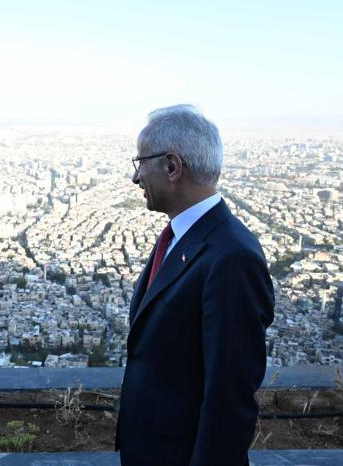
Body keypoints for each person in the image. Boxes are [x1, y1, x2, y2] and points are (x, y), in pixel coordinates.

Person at [116, 105, 275, 466]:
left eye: (140, 163)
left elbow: (229, 398)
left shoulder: (232, 256)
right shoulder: (181, 236)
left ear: (172, 167)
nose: (136, 178)